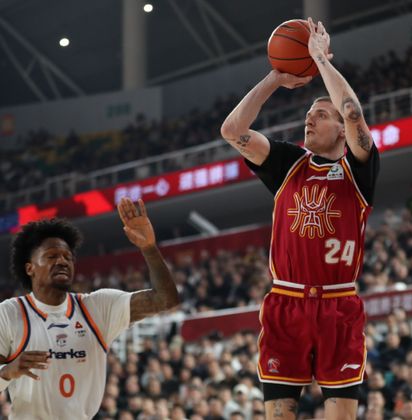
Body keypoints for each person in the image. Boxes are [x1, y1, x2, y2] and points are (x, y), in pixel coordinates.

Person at [220, 18, 379, 420]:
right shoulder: (288, 163)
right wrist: (276, 77)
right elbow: (232, 129)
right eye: (309, 113)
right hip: (286, 302)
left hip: (338, 305)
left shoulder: (359, 170)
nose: (309, 118)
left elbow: (352, 111)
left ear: (341, 131)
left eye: (320, 114)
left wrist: (320, 60)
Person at [0, 198, 180, 419]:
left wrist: (149, 248)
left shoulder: (98, 307)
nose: (62, 261)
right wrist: (7, 372)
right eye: (51, 256)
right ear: (30, 268)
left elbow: (165, 299)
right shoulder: (8, 313)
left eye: (68, 257)